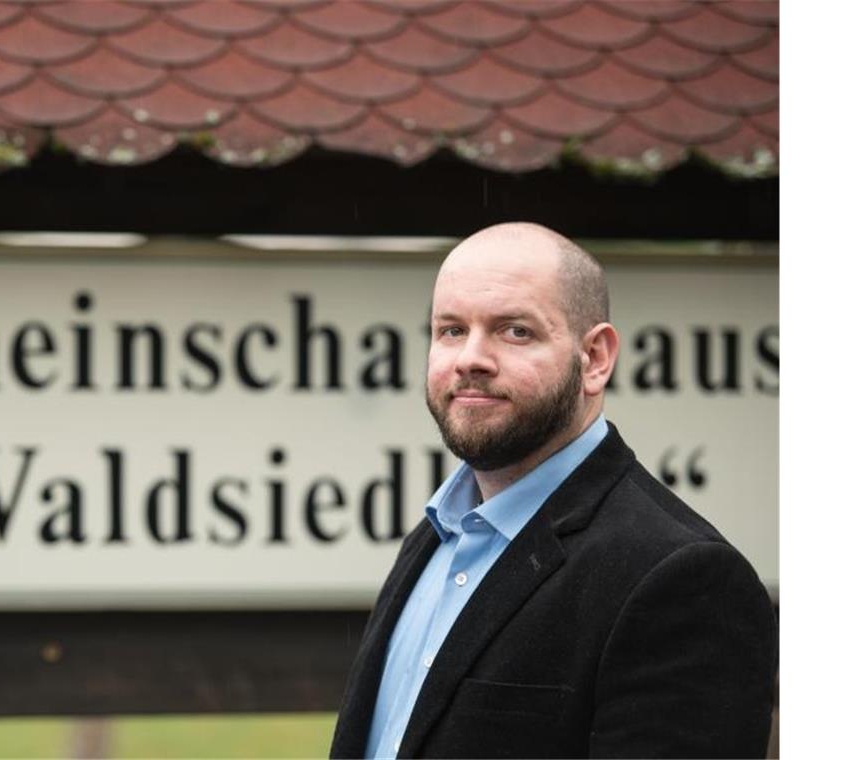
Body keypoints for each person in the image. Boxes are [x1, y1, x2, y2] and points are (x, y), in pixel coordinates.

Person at [329, 222, 777, 759]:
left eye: (515, 331)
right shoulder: (434, 538)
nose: (470, 357)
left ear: (595, 359)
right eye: (451, 330)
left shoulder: (685, 580)